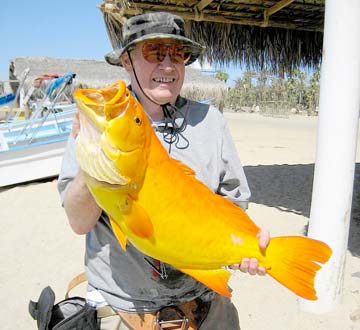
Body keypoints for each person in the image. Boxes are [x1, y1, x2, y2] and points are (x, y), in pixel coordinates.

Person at [58, 12, 269, 330]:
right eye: (154, 52)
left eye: (177, 54)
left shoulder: (210, 121)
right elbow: (78, 222)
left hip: (206, 303)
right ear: (127, 61)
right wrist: (98, 161)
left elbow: (232, 203)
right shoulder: (98, 123)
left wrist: (242, 247)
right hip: (124, 310)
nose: (168, 66)